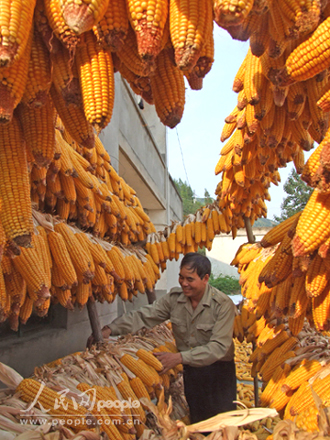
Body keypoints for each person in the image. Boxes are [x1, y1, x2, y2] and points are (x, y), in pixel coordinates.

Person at [88, 252, 237, 424]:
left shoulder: (222, 304)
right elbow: (144, 315)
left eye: (190, 279)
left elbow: (218, 347)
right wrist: (111, 328)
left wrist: (179, 357)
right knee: (199, 420)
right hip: (193, 370)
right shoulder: (175, 300)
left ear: (205, 278)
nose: (184, 283)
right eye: (181, 277)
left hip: (218, 371)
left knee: (224, 424)